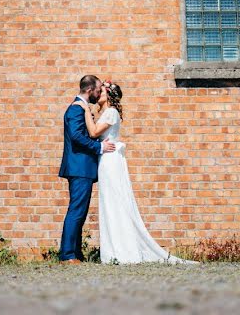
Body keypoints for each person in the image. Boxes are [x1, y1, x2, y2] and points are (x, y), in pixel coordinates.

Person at [76, 81, 194, 264]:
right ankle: (113, 249)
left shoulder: (111, 112)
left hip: (110, 161)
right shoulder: (105, 113)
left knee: (115, 202)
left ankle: (123, 250)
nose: (98, 93)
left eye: (102, 91)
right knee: (109, 203)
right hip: (105, 160)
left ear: (109, 95)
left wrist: (85, 111)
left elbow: (93, 133)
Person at [58, 75, 116, 263]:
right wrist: (99, 147)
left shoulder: (82, 108)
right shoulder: (76, 108)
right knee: (76, 211)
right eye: (99, 89)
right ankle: (67, 255)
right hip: (79, 167)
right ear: (90, 90)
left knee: (80, 212)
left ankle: (75, 253)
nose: (100, 92)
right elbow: (76, 136)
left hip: (82, 168)